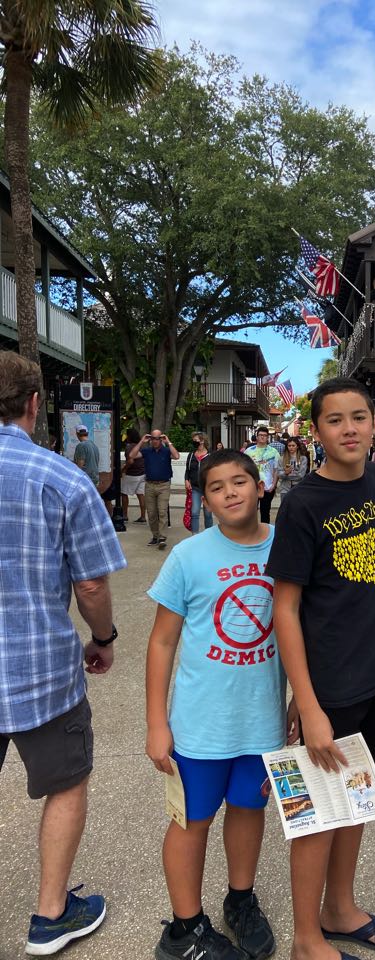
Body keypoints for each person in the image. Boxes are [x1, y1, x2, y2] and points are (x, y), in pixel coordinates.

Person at [267, 376, 375, 960]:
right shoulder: (304, 503)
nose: (350, 428)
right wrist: (307, 705)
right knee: (316, 814)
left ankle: (340, 908)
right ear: (316, 431)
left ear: (373, 422)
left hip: (373, 674)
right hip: (324, 683)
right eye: (336, 420)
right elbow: (285, 608)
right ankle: (307, 938)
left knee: (357, 796)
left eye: (360, 416)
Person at [146, 448, 298, 960]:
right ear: (205, 499)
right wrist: (155, 722)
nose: (230, 492)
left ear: (263, 486)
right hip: (199, 724)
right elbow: (162, 642)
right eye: (217, 486)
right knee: (192, 818)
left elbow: (305, 630)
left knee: (249, 808)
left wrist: (300, 698)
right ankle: (185, 928)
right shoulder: (190, 557)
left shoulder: (288, 547)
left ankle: (241, 898)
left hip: (261, 720)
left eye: (240, 481)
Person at [0, 351, 127, 956]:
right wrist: (102, 640)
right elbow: (92, 585)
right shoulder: (61, 478)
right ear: (33, 405)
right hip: (40, 669)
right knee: (66, 781)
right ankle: (51, 914)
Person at [127, 429, 180, 550]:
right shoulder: (146, 451)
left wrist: (169, 442)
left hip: (163, 485)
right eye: (153, 438)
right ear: (150, 439)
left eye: (158, 438)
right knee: (151, 513)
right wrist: (141, 441)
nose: (155, 441)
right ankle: (155, 536)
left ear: (161, 439)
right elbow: (132, 455)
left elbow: (176, 456)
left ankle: (162, 537)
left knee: (162, 511)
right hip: (150, 485)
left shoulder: (166, 451)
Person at [244, 427, 280, 524]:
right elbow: (243, 469)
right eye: (261, 435)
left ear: (267, 437)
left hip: (267, 487)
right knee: (250, 512)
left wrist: (274, 484)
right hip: (252, 486)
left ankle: (265, 534)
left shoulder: (273, 452)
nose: (263, 437)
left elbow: (276, 470)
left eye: (265, 436)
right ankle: (251, 533)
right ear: (257, 436)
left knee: (265, 512)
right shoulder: (248, 451)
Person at [184, 431, 213, 534]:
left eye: (196, 440)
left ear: (202, 441)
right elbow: (187, 470)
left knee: (208, 513)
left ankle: (209, 535)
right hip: (195, 488)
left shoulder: (210, 455)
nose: (194, 442)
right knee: (194, 512)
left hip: (208, 489)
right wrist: (186, 480)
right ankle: (195, 536)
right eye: (193, 440)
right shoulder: (191, 455)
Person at [121, 427, 146, 523]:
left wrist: (123, 470)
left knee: (124, 493)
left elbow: (130, 461)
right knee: (140, 495)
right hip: (142, 473)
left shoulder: (129, 447)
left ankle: (124, 515)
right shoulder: (140, 446)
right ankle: (143, 516)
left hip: (132, 473)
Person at [277, 437, 308, 502]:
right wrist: (285, 473)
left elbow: (301, 475)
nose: (291, 447)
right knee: (285, 509)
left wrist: (286, 475)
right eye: (289, 446)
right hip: (284, 489)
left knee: (297, 509)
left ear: (297, 446)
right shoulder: (281, 459)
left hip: (298, 488)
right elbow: (279, 474)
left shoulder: (303, 458)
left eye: (293, 445)